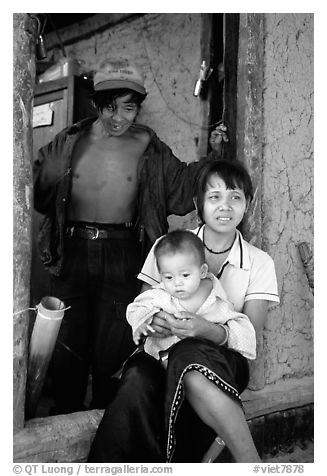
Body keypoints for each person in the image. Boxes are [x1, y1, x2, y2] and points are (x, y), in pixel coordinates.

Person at [33, 57, 227, 414]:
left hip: (123, 250)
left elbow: (182, 185)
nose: (119, 117)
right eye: (110, 108)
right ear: (95, 105)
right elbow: (36, 187)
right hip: (72, 250)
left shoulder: (149, 146)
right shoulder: (70, 140)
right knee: (68, 339)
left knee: (117, 341)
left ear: (139, 108)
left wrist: (213, 155)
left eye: (129, 108)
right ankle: (64, 414)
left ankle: (108, 419)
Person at [88, 159, 279, 463]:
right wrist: (155, 323)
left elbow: (249, 337)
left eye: (236, 197)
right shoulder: (167, 247)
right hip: (164, 353)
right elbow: (145, 305)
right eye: (214, 197)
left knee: (187, 353)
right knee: (137, 375)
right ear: (197, 203)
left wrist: (205, 329)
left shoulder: (259, 262)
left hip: (224, 361)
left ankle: (250, 463)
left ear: (248, 204)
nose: (225, 206)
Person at [127, 229, 256, 363]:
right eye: (169, 277)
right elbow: (135, 309)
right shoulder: (161, 296)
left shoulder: (215, 302)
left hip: (199, 364)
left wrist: (216, 332)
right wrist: (146, 321)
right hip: (158, 362)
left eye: (185, 275)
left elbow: (242, 329)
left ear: (202, 271)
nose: (177, 283)